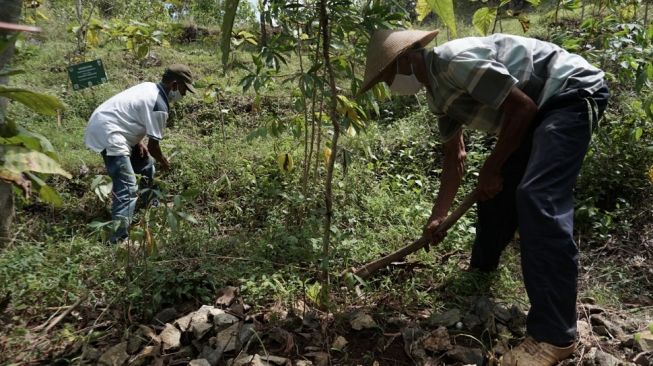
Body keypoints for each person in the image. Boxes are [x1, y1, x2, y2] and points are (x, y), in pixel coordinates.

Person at [360, 30, 608, 365]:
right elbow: (454, 158)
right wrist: (438, 217)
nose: (391, 85)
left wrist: (491, 167)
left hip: (570, 93)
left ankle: (555, 335)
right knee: (496, 195)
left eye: (388, 76)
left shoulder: (453, 61)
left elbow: (522, 108)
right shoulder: (437, 94)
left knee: (538, 196)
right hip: (535, 115)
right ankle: (481, 271)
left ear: (405, 60)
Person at [84, 64, 195, 244]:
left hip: (108, 124)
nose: (184, 94)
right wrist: (164, 162)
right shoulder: (159, 104)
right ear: (174, 85)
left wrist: (138, 142)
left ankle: (150, 204)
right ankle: (119, 239)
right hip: (110, 132)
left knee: (145, 163)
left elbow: (132, 115)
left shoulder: (149, 87)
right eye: (184, 89)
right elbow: (154, 146)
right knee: (127, 186)